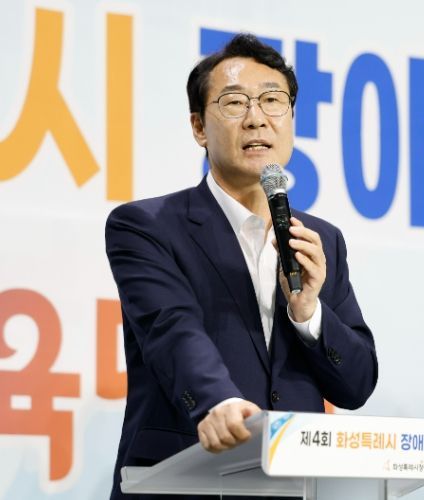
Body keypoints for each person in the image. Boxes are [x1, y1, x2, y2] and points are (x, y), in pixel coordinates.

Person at [105, 34, 378, 499]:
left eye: (273, 101)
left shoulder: (320, 239)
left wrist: (309, 314)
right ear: (198, 127)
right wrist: (219, 402)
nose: (257, 118)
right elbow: (172, 329)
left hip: (290, 487)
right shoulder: (148, 226)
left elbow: (356, 384)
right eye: (234, 102)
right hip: (184, 482)